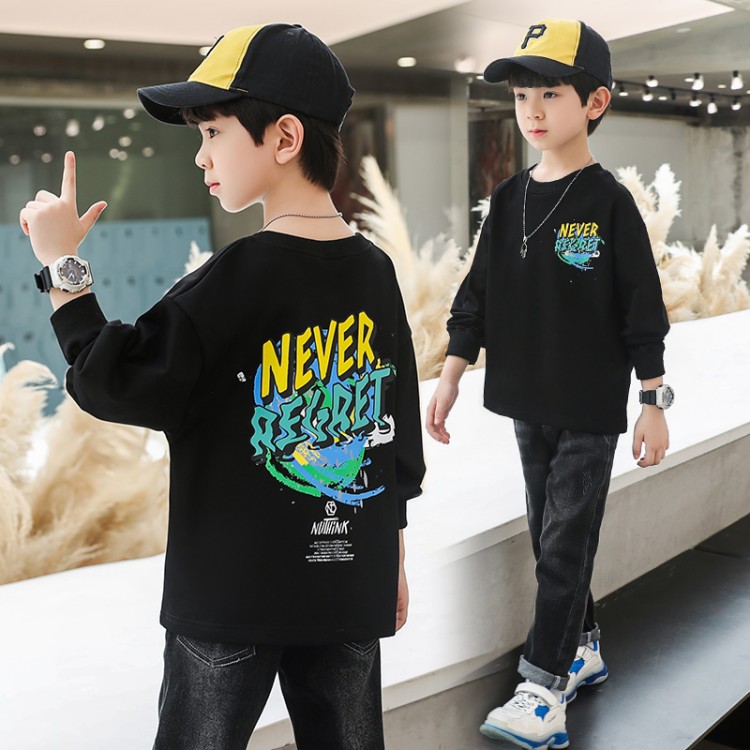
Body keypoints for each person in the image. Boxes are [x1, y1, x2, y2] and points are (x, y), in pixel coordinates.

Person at [20, 23, 425, 750]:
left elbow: (113, 381)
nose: (201, 156)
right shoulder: (375, 272)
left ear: (285, 137)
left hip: (230, 601)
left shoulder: (235, 278)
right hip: (345, 584)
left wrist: (62, 267)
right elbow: (392, 436)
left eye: (213, 132)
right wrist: (387, 557)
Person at [426, 18, 672, 750]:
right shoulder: (508, 199)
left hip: (589, 408)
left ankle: (542, 687)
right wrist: (451, 374)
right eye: (521, 95)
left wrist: (654, 402)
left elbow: (643, 309)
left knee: (564, 543)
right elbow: (475, 296)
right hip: (525, 401)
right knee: (549, 535)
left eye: (550, 94)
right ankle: (583, 644)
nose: (531, 110)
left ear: (594, 102)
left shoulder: (610, 203)